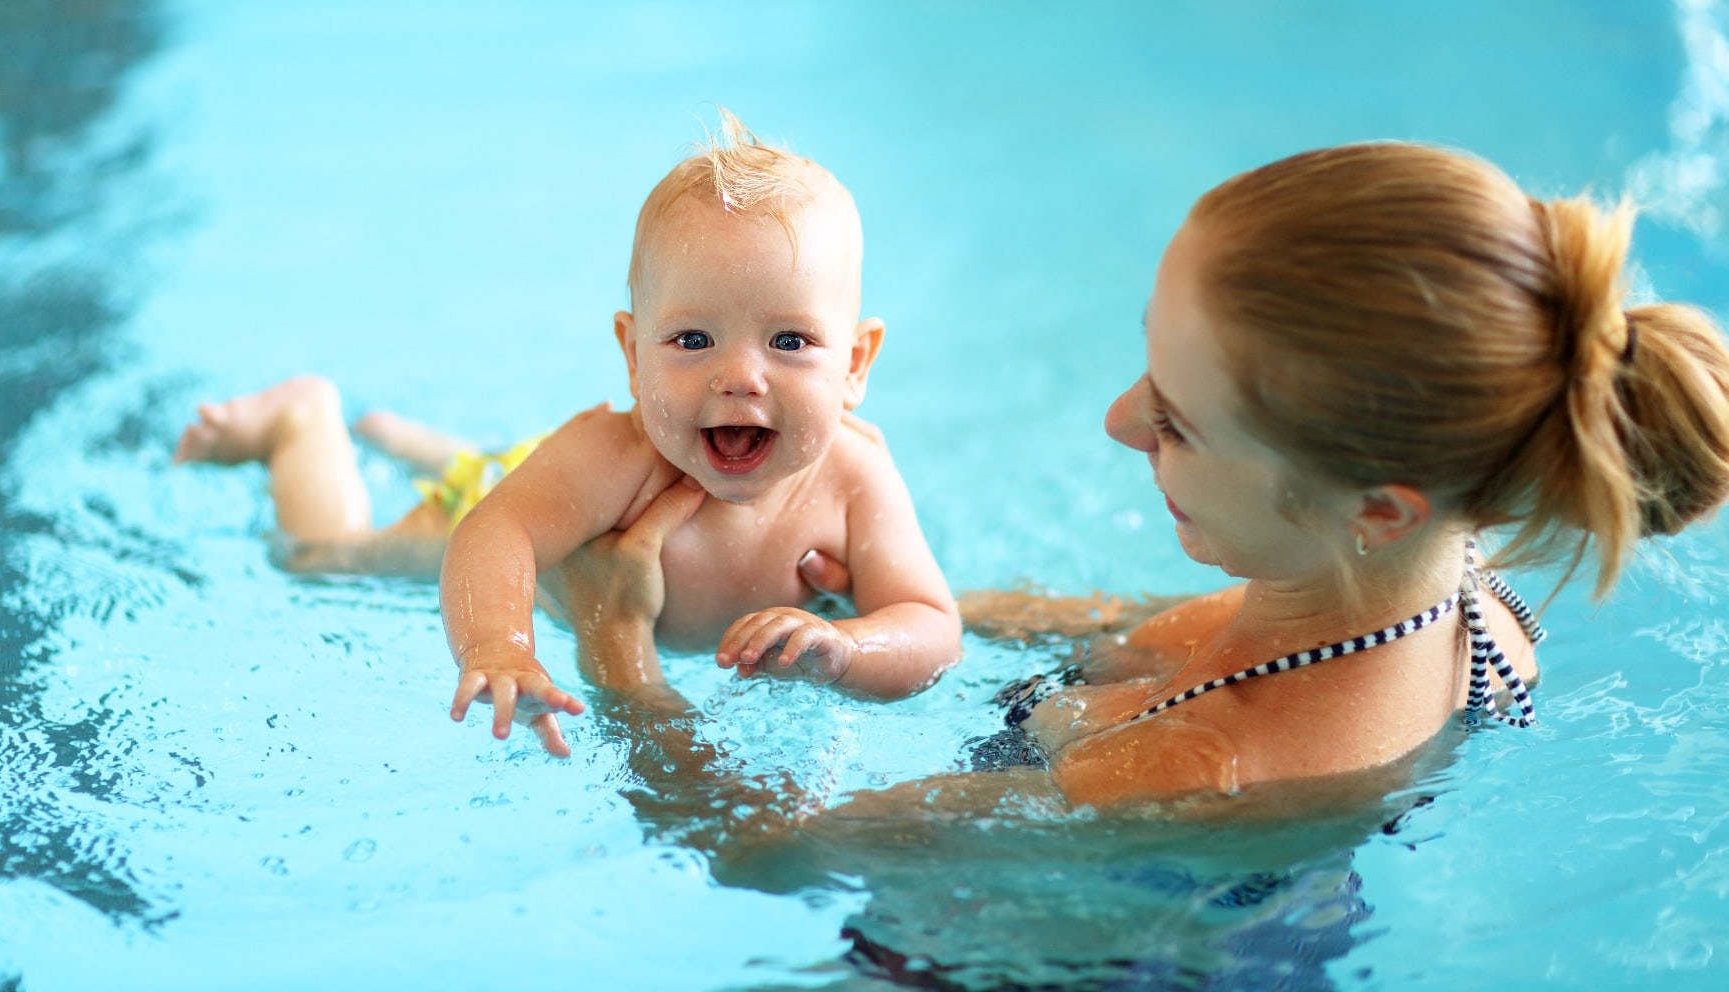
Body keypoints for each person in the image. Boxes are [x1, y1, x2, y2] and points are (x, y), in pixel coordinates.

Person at [563, 141, 1729, 809]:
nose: (1121, 421)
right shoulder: (1456, 586)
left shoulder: (1190, 767)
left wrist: (618, 650)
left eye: (1176, 420)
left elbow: (767, 855)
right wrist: (868, 614)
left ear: (1379, 503)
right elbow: (1145, 631)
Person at [173, 110, 963, 758]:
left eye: (789, 342)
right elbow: (497, 529)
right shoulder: (618, 457)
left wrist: (848, 649)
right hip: (522, 492)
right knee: (327, 560)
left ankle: (417, 442)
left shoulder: (856, 478)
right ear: (631, 354)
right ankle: (302, 423)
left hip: (555, 484)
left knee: (526, 474)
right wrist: (496, 642)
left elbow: (929, 624)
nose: (740, 377)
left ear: (857, 363)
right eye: (693, 341)